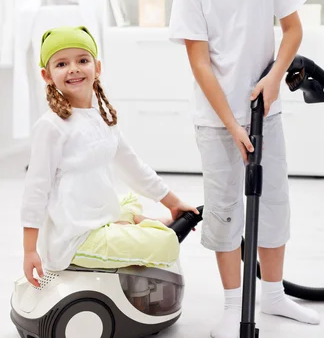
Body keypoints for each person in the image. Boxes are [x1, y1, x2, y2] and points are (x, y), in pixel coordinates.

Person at [169, 0, 320, 338]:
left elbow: (293, 30)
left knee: (273, 202)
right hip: (216, 123)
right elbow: (200, 64)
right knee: (225, 210)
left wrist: (274, 78)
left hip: (265, 114)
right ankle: (234, 306)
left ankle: (272, 295)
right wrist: (231, 124)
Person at [22, 25, 198, 288]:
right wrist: (29, 250)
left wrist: (172, 203)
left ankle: (128, 224)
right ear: (47, 76)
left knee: (130, 199)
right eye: (61, 64)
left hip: (100, 219)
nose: (73, 68)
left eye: (82, 60)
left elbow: (134, 166)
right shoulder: (52, 126)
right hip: (76, 237)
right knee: (166, 243)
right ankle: (139, 228)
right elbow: (36, 191)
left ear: (97, 68)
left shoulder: (103, 117)